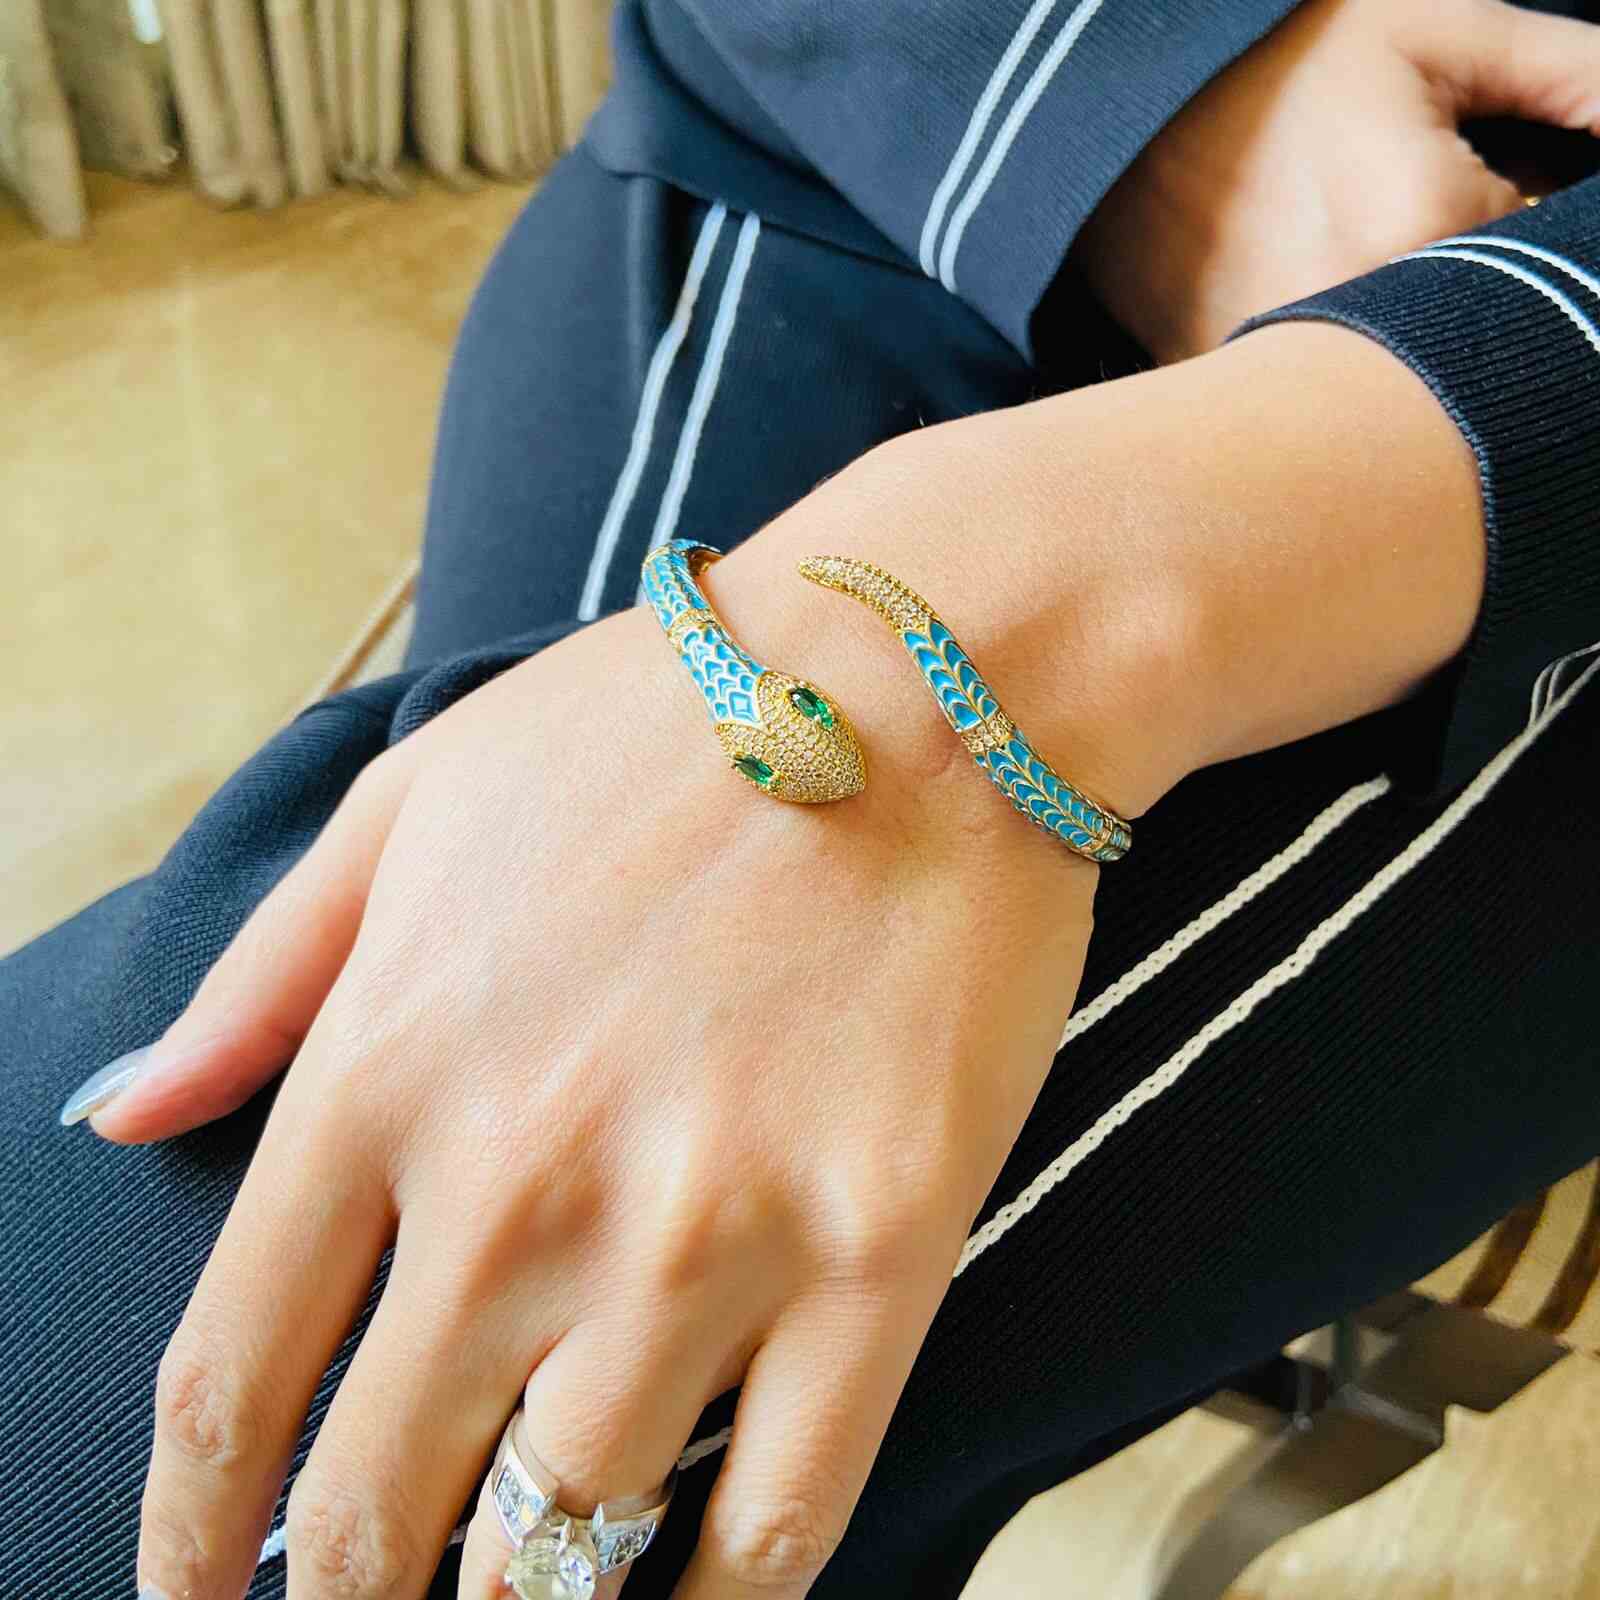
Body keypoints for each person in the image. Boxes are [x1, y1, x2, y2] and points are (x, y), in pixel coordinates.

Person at [6, 0, 1600, 1595]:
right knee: (317, 1231)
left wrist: (1098, 583)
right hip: (867, 139)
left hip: (1544, 477)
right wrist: (1148, 91)